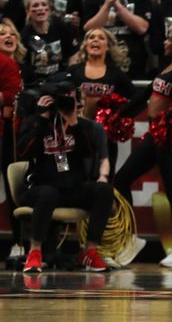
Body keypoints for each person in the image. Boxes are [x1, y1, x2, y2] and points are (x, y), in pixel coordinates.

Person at [114, 27, 172, 268]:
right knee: (122, 178)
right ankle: (131, 237)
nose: (165, 41)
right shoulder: (166, 69)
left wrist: (168, 117)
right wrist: (117, 115)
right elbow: (144, 95)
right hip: (154, 134)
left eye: (169, 38)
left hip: (168, 136)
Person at [17, 81, 113, 273]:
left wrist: (73, 122)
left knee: (103, 190)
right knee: (48, 194)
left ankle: (90, 252)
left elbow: (88, 153)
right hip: (41, 186)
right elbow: (24, 153)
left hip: (72, 188)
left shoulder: (82, 126)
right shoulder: (35, 122)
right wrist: (43, 119)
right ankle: (34, 252)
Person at [67, 28, 133, 179]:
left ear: (108, 46)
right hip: (77, 133)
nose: (95, 40)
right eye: (91, 37)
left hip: (106, 137)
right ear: (85, 45)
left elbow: (135, 100)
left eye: (100, 38)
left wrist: (120, 118)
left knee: (105, 177)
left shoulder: (117, 74)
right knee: (77, 176)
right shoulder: (73, 71)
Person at [0, 21, 24, 258]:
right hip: (4, 132)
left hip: (17, 135)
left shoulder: (22, 66)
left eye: (11, 33)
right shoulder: (4, 64)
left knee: (15, 187)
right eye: (2, 34)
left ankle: (20, 241)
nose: (8, 36)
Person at [20, 0, 79, 85]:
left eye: (44, 5)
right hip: (37, 83)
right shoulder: (25, 35)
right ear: (28, 11)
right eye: (35, 5)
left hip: (61, 79)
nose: (40, 8)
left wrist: (70, 74)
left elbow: (73, 53)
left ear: (49, 9)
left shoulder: (60, 26)